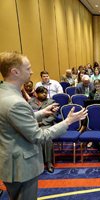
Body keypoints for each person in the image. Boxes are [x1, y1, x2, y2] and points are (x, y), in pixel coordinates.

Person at [0, 51, 87, 200]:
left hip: (10, 161)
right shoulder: (16, 102)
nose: (32, 72)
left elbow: (13, 120)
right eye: (28, 68)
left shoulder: (4, 94)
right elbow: (38, 135)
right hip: (21, 166)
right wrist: (67, 122)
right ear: (15, 72)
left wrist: (41, 113)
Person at [28, 86, 58, 173]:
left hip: (46, 124)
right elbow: (26, 114)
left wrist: (42, 123)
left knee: (46, 137)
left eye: (45, 92)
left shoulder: (51, 102)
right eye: (42, 92)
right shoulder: (30, 102)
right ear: (36, 94)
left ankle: (49, 162)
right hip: (32, 124)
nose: (44, 94)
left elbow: (53, 116)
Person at [79, 79, 100, 146]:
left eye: (98, 86)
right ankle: (91, 139)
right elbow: (88, 102)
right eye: (96, 87)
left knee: (91, 117)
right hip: (94, 112)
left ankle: (82, 129)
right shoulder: (92, 93)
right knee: (89, 115)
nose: (97, 88)